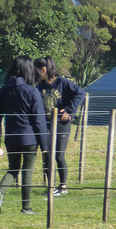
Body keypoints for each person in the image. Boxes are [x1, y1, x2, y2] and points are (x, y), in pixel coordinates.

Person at [0, 55, 49, 215]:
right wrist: (44, 145)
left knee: (13, 169)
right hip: (30, 138)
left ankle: (0, 192)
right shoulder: (32, 91)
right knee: (27, 171)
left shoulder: (3, 91)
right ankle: (26, 207)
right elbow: (39, 120)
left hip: (11, 137)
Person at [35, 56, 84, 196]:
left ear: (43, 70)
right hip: (46, 125)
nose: (35, 73)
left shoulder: (63, 83)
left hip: (62, 124)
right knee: (47, 155)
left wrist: (69, 111)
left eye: (36, 70)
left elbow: (80, 94)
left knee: (59, 155)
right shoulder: (40, 86)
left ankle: (63, 186)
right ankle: (51, 186)